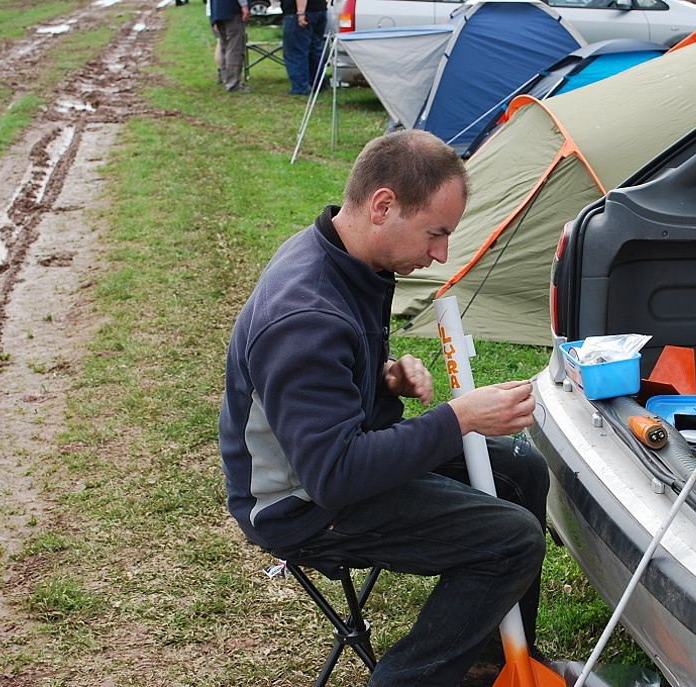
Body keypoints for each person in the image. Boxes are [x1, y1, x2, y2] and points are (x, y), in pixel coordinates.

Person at [219, 130, 549, 686]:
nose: (441, 254)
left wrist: (383, 378)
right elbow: (336, 476)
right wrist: (460, 418)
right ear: (383, 206)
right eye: (437, 233)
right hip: (298, 504)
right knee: (510, 539)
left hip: (332, 464)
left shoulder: (347, 260)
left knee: (520, 469)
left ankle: (492, 665)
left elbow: (326, 390)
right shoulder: (305, 316)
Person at [281, 0, 327, 95]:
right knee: (315, 49)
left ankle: (301, 87)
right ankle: (318, 84)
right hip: (319, 9)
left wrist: (301, 12)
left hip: (300, 12)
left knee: (296, 52)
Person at [210, 0, 250, 92]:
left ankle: (226, 78)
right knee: (235, 47)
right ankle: (233, 83)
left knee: (224, 46)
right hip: (231, 10)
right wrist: (244, 5)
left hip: (217, 11)